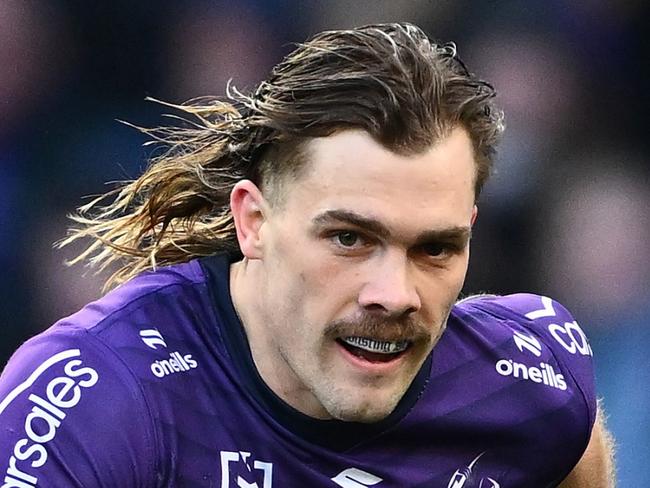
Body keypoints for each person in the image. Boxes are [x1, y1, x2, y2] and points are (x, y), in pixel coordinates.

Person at [0, 23, 614, 487]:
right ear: (254, 223)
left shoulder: (531, 391)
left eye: (435, 247)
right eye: (350, 238)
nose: (394, 294)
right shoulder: (100, 402)